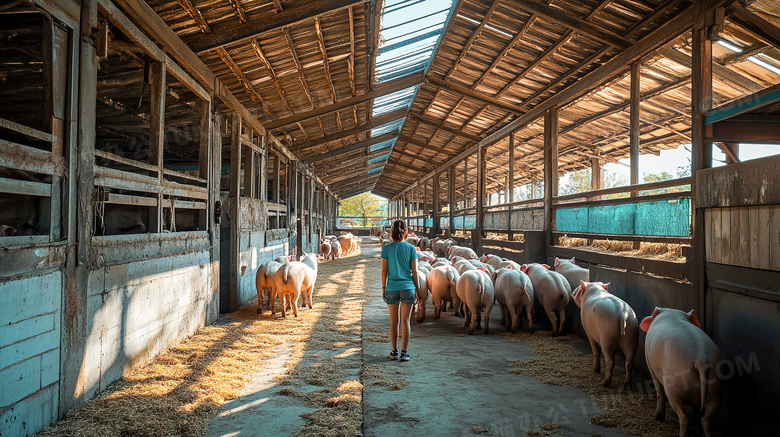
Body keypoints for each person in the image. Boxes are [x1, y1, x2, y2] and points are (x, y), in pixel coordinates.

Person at [380, 220, 419, 361]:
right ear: (406, 232)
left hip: (391, 287)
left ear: (392, 232)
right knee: (405, 321)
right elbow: (415, 272)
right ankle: (404, 352)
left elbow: (384, 271)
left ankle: (394, 351)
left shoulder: (386, 248)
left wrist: (383, 288)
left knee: (393, 322)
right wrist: (417, 289)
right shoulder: (411, 248)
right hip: (408, 287)